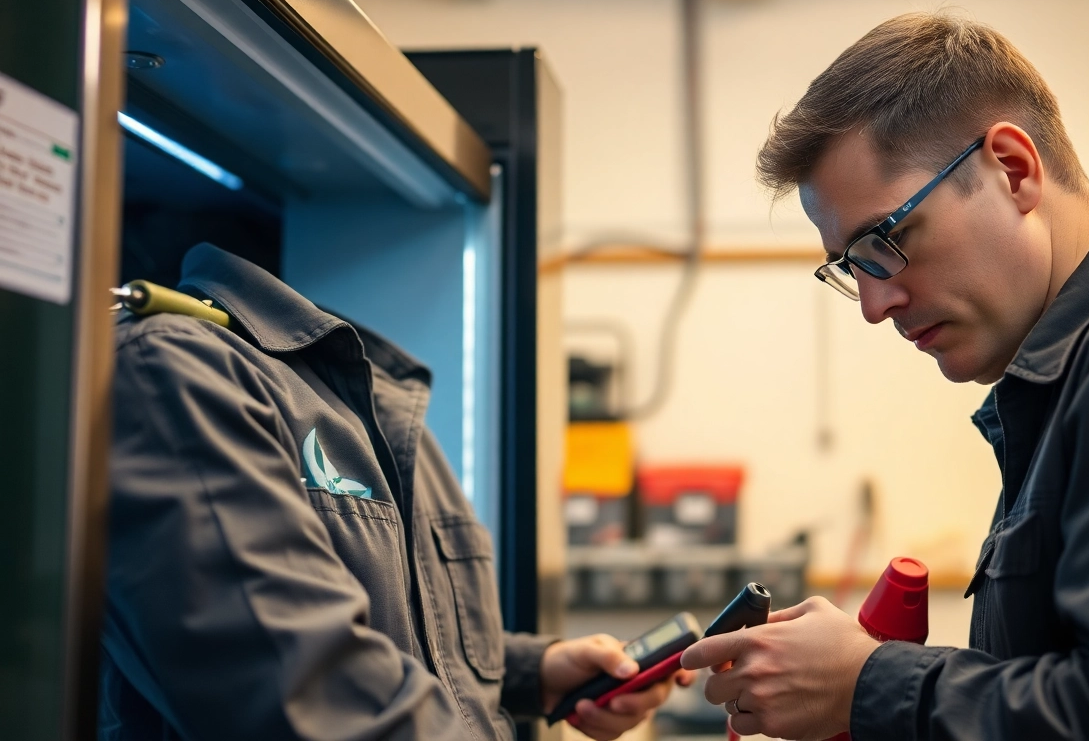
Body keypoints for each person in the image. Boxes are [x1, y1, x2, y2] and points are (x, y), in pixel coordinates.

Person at [680, 12, 1089, 741]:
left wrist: (870, 684)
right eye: (850, 267)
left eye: (885, 241)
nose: (874, 303)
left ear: (1013, 169)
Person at [100, 243, 689, 740]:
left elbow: (413, 632)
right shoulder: (175, 373)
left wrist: (533, 671)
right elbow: (305, 692)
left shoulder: (382, 404)